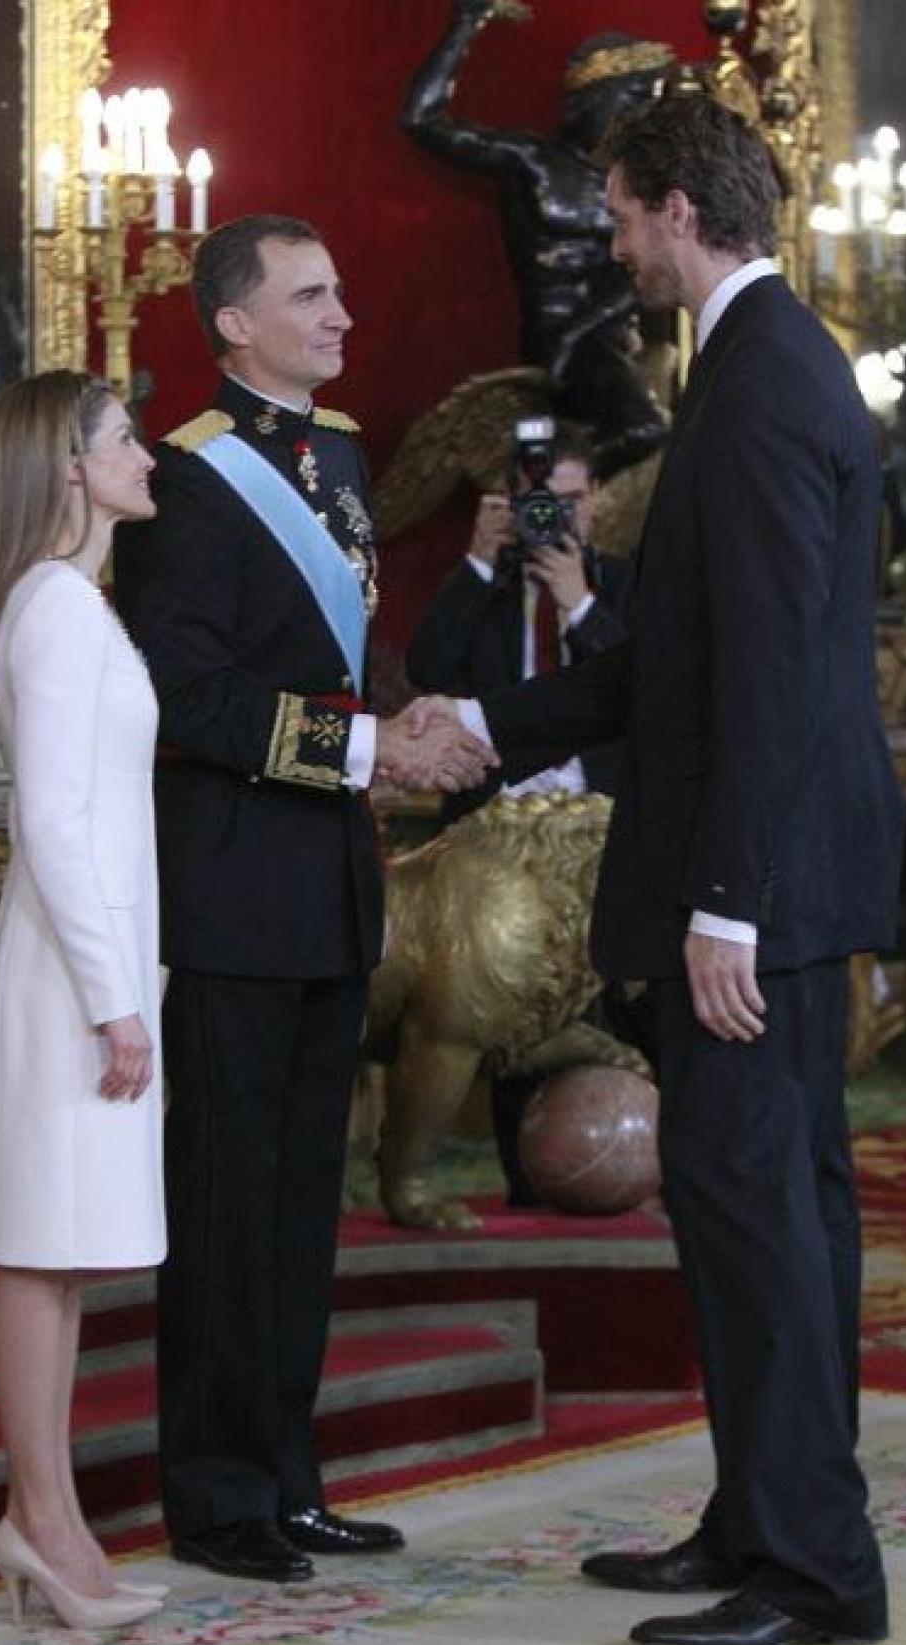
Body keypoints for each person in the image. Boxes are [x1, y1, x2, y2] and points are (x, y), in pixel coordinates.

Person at [413, 94, 906, 1645]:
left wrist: (727, 906)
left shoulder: (760, 383)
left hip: (751, 884)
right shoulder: (763, 366)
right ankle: (766, 1517)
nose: (610, 241)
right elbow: (691, 656)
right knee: (780, 1216)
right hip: (775, 866)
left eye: (620, 212)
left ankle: (815, 1570)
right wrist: (489, 710)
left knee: (759, 1216)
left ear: (680, 209)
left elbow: (761, 677)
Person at [113, 214, 495, 1585]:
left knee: (299, 1207)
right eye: (310, 295)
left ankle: (289, 1473)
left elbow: (334, 660)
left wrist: (411, 721)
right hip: (227, 885)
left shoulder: (333, 451)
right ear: (233, 322)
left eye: (338, 290)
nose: (343, 315)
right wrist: (360, 749)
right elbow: (186, 695)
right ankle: (217, 1498)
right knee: (225, 1203)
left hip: (328, 881)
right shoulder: (185, 475)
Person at [0, 371, 167, 1630]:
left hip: (90, 976)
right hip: (66, 985)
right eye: (125, 438)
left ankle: (56, 1521)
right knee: (38, 1252)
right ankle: (39, 1520)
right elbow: (50, 821)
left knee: (61, 1253)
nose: (146, 453)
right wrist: (112, 999)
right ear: (72, 468)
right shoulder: (53, 611)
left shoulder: (74, 607)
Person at [406, 419, 631, 1204]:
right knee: (504, 1018)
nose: (556, 521)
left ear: (596, 500)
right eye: (539, 505)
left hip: (605, 832)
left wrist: (578, 605)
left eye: (568, 503)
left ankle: (629, 1169)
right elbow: (427, 667)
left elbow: (651, 689)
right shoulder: (484, 592)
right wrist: (475, 555)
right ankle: (525, 1185)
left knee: (611, 1013)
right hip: (493, 843)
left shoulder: (628, 585)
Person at [403, 2, 674, 471]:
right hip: (547, 341)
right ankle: (555, 499)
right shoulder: (532, 161)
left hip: (603, 343)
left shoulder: (645, 183)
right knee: (627, 433)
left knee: (647, 432)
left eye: (651, 103)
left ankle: (568, 501)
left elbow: (645, 279)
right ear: (598, 98)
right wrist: (468, 22)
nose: (644, 116)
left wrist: (577, 338)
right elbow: (422, 120)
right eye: (634, 101)